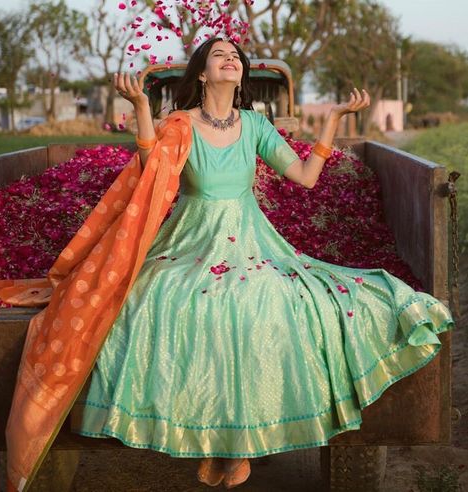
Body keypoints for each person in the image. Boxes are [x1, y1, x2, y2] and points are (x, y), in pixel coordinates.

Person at [68, 36, 455, 489]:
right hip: (190, 239)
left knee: (263, 296)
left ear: (242, 74)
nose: (231, 59)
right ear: (200, 73)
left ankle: (238, 445)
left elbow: (306, 178)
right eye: (219, 55)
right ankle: (210, 435)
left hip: (252, 241)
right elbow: (154, 173)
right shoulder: (181, 124)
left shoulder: (254, 125)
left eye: (236, 56)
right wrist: (139, 108)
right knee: (158, 296)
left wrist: (331, 121)